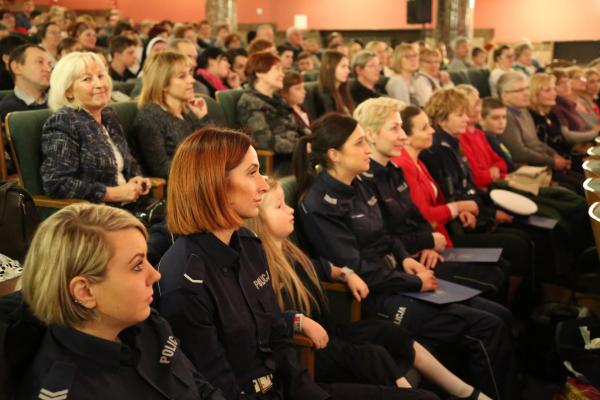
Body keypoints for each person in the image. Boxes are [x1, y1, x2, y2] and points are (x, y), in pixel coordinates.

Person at [293, 112, 517, 400]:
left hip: (397, 278)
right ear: (335, 154)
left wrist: (405, 258)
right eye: (360, 143)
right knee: (487, 326)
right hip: (373, 296)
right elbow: (357, 268)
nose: (367, 150)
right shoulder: (319, 204)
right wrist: (414, 282)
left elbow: (387, 234)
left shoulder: (359, 182)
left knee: (498, 313)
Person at [246, 179, 490, 400]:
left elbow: (324, 267)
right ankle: (415, 395)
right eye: (279, 207)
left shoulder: (292, 254)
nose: (290, 210)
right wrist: (299, 322)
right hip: (310, 349)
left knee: (388, 332)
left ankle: (463, 391)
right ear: (259, 219)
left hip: (332, 333)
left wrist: (347, 274)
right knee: (373, 355)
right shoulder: (261, 268)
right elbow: (271, 322)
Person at [156, 127, 330, 400]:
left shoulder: (249, 243)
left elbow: (277, 338)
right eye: (252, 172)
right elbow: (214, 384)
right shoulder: (184, 281)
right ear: (216, 185)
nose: (263, 184)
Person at [12, 203, 224, 400]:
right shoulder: (68, 390)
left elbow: (201, 390)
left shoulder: (148, 324)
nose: (155, 275)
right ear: (85, 292)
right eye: (137, 266)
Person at [354, 97, 507, 299]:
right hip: (403, 267)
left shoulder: (393, 169)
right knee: (493, 286)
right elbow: (385, 238)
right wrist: (426, 241)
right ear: (371, 135)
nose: (403, 136)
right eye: (395, 129)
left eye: (402, 128)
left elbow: (416, 215)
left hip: (422, 252)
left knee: (499, 269)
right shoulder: (366, 181)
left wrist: (428, 243)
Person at [41, 51, 150, 203]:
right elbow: (56, 183)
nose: (99, 84)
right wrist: (110, 193)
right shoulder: (64, 121)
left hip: (132, 206)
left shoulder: (108, 115)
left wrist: (137, 179)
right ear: (68, 91)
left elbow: (128, 161)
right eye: (87, 79)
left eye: (100, 76)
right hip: (97, 214)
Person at [498, 71, 585, 194]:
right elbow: (518, 153)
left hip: (543, 165)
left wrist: (555, 155)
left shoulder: (523, 111)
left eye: (527, 88)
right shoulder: (506, 116)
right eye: (520, 90)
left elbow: (535, 142)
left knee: (583, 180)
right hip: (528, 173)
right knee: (577, 188)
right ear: (504, 95)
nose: (526, 93)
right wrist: (552, 161)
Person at [133, 51, 209, 179]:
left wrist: (202, 118)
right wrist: (203, 170)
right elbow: (161, 168)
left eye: (190, 74)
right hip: (182, 187)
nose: (192, 80)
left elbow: (208, 148)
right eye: (182, 76)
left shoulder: (186, 113)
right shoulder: (150, 117)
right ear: (163, 84)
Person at [237, 51, 309, 175]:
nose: (282, 74)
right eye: (277, 69)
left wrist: (313, 140)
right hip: (279, 160)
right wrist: (300, 147)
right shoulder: (250, 102)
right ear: (259, 73)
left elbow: (299, 126)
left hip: (297, 154)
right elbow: (264, 140)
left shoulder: (277, 98)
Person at [528, 72, 587, 166]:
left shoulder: (550, 113)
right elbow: (537, 147)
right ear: (534, 94)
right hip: (546, 165)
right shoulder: (531, 117)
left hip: (565, 158)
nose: (554, 94)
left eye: (554, 89)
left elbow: (559, 141)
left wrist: (576, 148)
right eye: (548, 90)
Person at [0, 44, 51, 123]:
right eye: (40, 62)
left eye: (49, 64)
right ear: (16, 68)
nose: (48, 69)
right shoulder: (8, 111)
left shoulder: (58, 102)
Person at [315, 50, 354, 116]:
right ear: (329, 67)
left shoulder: (342, 91)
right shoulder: (323, 94)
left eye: (348, 67)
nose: (348, 71)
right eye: (343, 66)